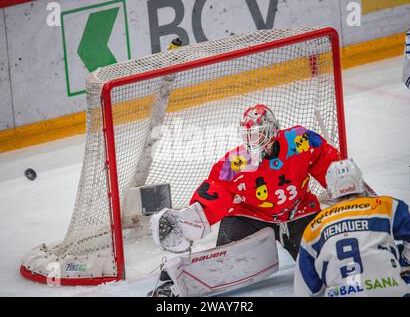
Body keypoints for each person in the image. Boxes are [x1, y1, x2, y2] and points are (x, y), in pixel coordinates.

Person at [149, 104, 341, 296]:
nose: (251, 141)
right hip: (250, 216)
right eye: (247, 134)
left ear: (272, 131)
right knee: (224, 259)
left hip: (299, 212)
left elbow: (330, 164)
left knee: (325, 261)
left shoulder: (301, 140)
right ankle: (172, 281)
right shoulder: (237, 161)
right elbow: (217, 190)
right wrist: (189, 221)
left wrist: (355, 196)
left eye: (257, 134)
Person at [294, 159, 410, 297]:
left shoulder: (315, 226)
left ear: (331, 190)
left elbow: (306, 287)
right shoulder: (386, 205)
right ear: (360, 182)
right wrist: (404, 261)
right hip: (390, 291)